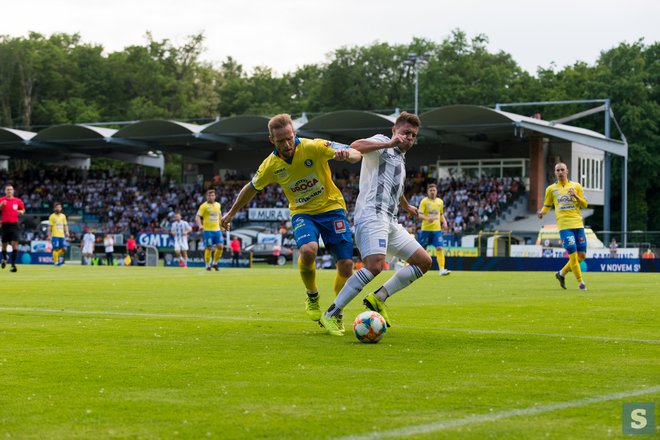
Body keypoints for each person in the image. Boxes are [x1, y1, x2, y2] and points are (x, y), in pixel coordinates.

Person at [221, 113, 361, 330]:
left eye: (289, 138)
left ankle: (336, 312)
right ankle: (312, 295)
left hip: (332, 208)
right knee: (308, 250)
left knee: (346, 266)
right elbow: (250, 189)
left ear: (294, 133)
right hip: (302, 212)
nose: (286, 144)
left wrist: (348, 155)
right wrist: (230, 214)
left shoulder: (313, 146)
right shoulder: (270, 165)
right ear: (271, 140)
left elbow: (354, 152)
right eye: (280, 141)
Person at [319, 112, 432, 335]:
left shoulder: (400, 157)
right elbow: (355, 145)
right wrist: (390, 142)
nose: (409, 137)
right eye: (405, 132)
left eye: (413, 135)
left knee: (424, 261)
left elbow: (394, 187)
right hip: (371, 215)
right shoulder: (382, 142)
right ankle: (331, 313)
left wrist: (407, 206)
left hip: (390, 220)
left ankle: (379, 297)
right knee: (375, 266)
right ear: (394, 130)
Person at [538, 162, 589, 291]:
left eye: (562, 170)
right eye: (558, 170)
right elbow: (547, 206)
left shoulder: (576, 186)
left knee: (581, 256)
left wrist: (575, 196)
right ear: (555, 173)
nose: (560, 172)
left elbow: (585, 205)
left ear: (567, 171)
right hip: (564, 226)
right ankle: (581, 283)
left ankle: (561, 273)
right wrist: (542, 213)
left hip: (578, 224)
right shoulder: (551, 189)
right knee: (572, 254)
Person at [417, 183, 451, 276]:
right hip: (425, 230)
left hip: (437, 230)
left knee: (440, 248)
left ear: (437, 191)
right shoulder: (424, 201)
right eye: (430, 190)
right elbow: (419, 215)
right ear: (428, 192)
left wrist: (444, 222)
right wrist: (428, 218)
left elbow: (440, 214)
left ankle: (442, 269)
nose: (432, 192)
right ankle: (418, 268)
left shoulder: (440, 202)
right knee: (422, 250)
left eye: (434, 190)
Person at [196, 189, 224, 271]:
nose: (211, 197)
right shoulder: (203, 206)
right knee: (209, 247)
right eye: (209, 195)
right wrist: (200, 225)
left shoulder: (218, 205)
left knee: (220, 247)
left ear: (215, 197)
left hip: (217, 230)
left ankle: (215, 263)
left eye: (212, 195)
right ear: (206, 196)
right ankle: (208, 265)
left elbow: (220, 215)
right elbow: (197, 217)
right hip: (207, 230)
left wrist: (222, 225)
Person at [0, 184, 25, 273]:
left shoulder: (17, 201)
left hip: (14, 225)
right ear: (5, 191)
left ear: (13, 191)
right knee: (4, 245)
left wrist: (21, 211)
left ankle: (13, 265)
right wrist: (0, 205)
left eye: (11, 189)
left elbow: (22, 209)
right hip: (4, 225)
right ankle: (5, 257)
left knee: (15, 244)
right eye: (7, 189)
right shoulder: (1, 200)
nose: (9, 191)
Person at [47, 202, 70, 266]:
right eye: (57, 207)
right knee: (56, 249)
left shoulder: (63, 216)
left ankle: (55, 257)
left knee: (64, 249)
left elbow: (65, 225)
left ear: (61, 208)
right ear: (54, 208)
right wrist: (49, 235)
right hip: (55, 235)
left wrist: (67, 232)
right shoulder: (52, 216)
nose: (58, 208)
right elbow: (49, 226)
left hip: (62, 235)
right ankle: (56, 263)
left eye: (59, 207)